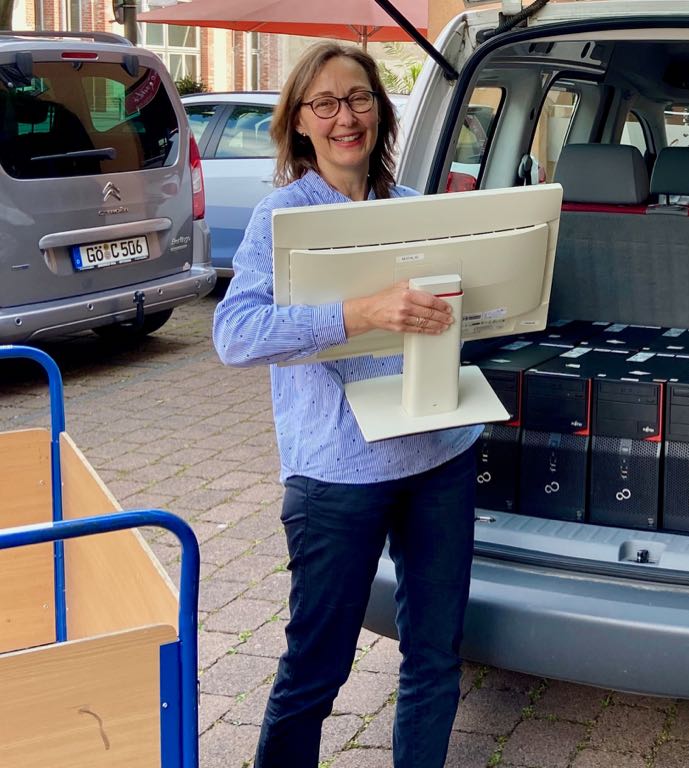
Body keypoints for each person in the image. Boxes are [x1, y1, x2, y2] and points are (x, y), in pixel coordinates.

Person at [212, 42, 480, 768]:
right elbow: (234, 335)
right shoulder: (281, 216)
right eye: (324, 103)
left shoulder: (416, 210)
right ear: (299, 121)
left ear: (381, 110)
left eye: (359, 98)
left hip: (440, 459)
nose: (345, 117)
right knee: (316, 673)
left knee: (434, 656)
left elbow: (468, 320)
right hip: (337, 478)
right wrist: (359, 313)